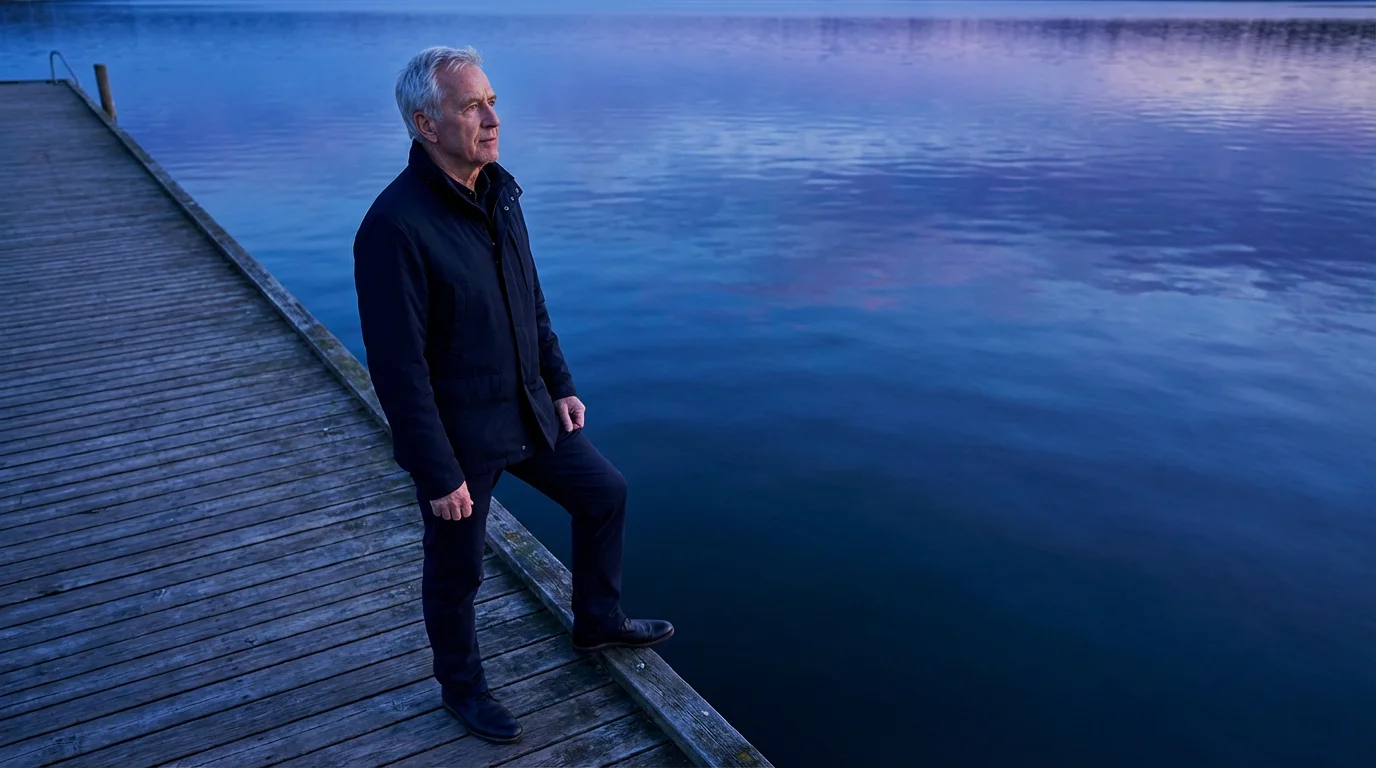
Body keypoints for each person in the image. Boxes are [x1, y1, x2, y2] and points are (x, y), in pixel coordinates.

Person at [352, 46, 673, 744]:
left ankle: (597, 621)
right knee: (456, 570)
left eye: (492, 100)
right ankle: (461, 689)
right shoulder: (395, 225)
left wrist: (559, 385)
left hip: (526, 407)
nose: (492, 118)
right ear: (425, 124)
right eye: (471, 106)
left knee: (604, 492)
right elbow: (397, 367)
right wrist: (436, 470)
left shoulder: (499, 191)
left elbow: (531, 304)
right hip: (460, 434)